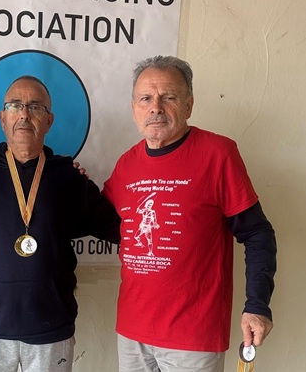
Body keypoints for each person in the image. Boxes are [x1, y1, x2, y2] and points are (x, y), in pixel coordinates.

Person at [102, 55, 277, 371]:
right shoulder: (126, 164)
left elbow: (257, 233)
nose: (156, 108)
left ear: (188, 106)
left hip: (192, 338)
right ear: (134, 109)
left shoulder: (218, 154)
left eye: (168, 97)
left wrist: (257, 305)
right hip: (131, 333)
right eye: (145, 98)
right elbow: (105, 222)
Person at [0, 76, 121, 372]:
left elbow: (121, 230)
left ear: (49, 121)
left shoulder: (69, 178)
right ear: (2, 118)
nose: (24, 114)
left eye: (35, 107)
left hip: (52, 330)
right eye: (15, 105)